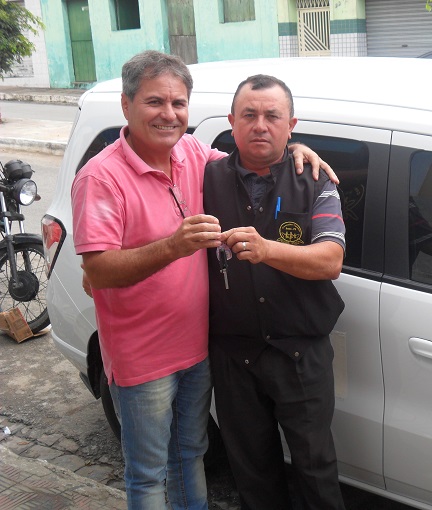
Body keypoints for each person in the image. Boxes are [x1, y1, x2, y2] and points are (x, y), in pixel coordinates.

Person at [71, 51, 334, 509]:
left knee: (190, 454)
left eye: (178, 103)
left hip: (197, 349)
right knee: (148, 473)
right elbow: (97, 270)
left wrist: (296, 147)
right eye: (155, 102)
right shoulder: (100, 177)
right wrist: (172, 246)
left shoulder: (193, 154)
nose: (169, 114)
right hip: (143, 356)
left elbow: (255, 159)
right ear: (126, 105)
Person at [204, 74, 346, 510]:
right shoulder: (205, 177)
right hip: (234, 355)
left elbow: (330, 260)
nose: (260, 125)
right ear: (232, 122)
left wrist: (267, 250)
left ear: (291, 125)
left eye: (272, 116)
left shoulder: (315, 180)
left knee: (316, 469)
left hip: (299, 354)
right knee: (252, 472)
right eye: (249, 115)